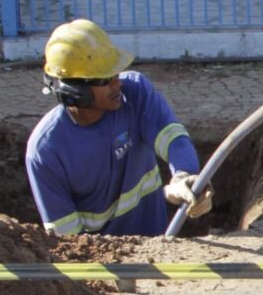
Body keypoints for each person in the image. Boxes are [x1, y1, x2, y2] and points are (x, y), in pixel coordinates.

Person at [25, 19, 214, 237]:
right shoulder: (46, 150)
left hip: (160, 247)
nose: (118, 83)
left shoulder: (135, 93)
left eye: (115, 73)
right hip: (105, 265)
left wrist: (184, 176)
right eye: (105, 79)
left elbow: (173, 137)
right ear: (74, 91)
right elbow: (68, 238)